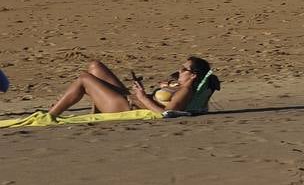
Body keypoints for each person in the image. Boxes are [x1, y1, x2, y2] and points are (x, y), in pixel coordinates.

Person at [48, 57, 220, 117]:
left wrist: (143, 96)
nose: (179, 71)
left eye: (183, 69)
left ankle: (50, 116)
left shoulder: (185, 91)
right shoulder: (179, 85)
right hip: (130, 98)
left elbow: (167, 114)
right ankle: (97, 110)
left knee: (84, 79)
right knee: (95, 66)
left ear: (193, 75)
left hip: (124, 105)